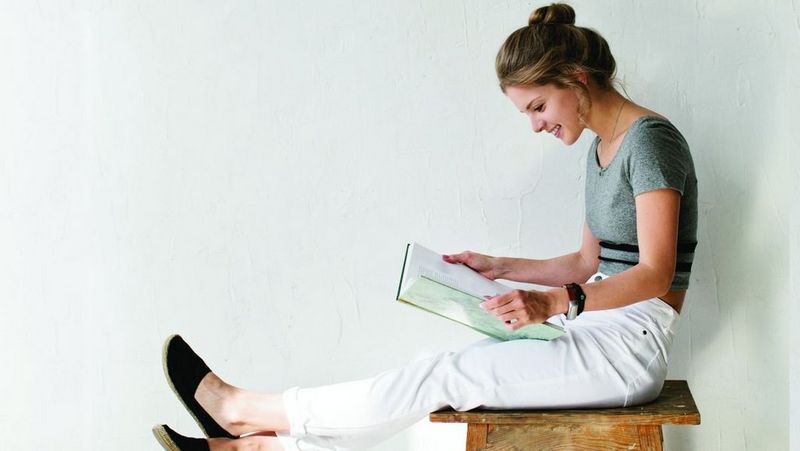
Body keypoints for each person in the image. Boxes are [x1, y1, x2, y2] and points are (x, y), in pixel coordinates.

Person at [152, 3, 697, 450]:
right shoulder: (602, 148)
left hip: (627, 348)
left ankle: (244, 412)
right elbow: (586, 262)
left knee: (448, 379)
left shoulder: (650, 142)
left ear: (576, 79)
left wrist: (554, 302)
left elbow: (655, 273)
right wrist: (499, 266)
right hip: (594, 328)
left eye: (538, 106)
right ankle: (255, 447)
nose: (536, 125)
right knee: (429, 372)